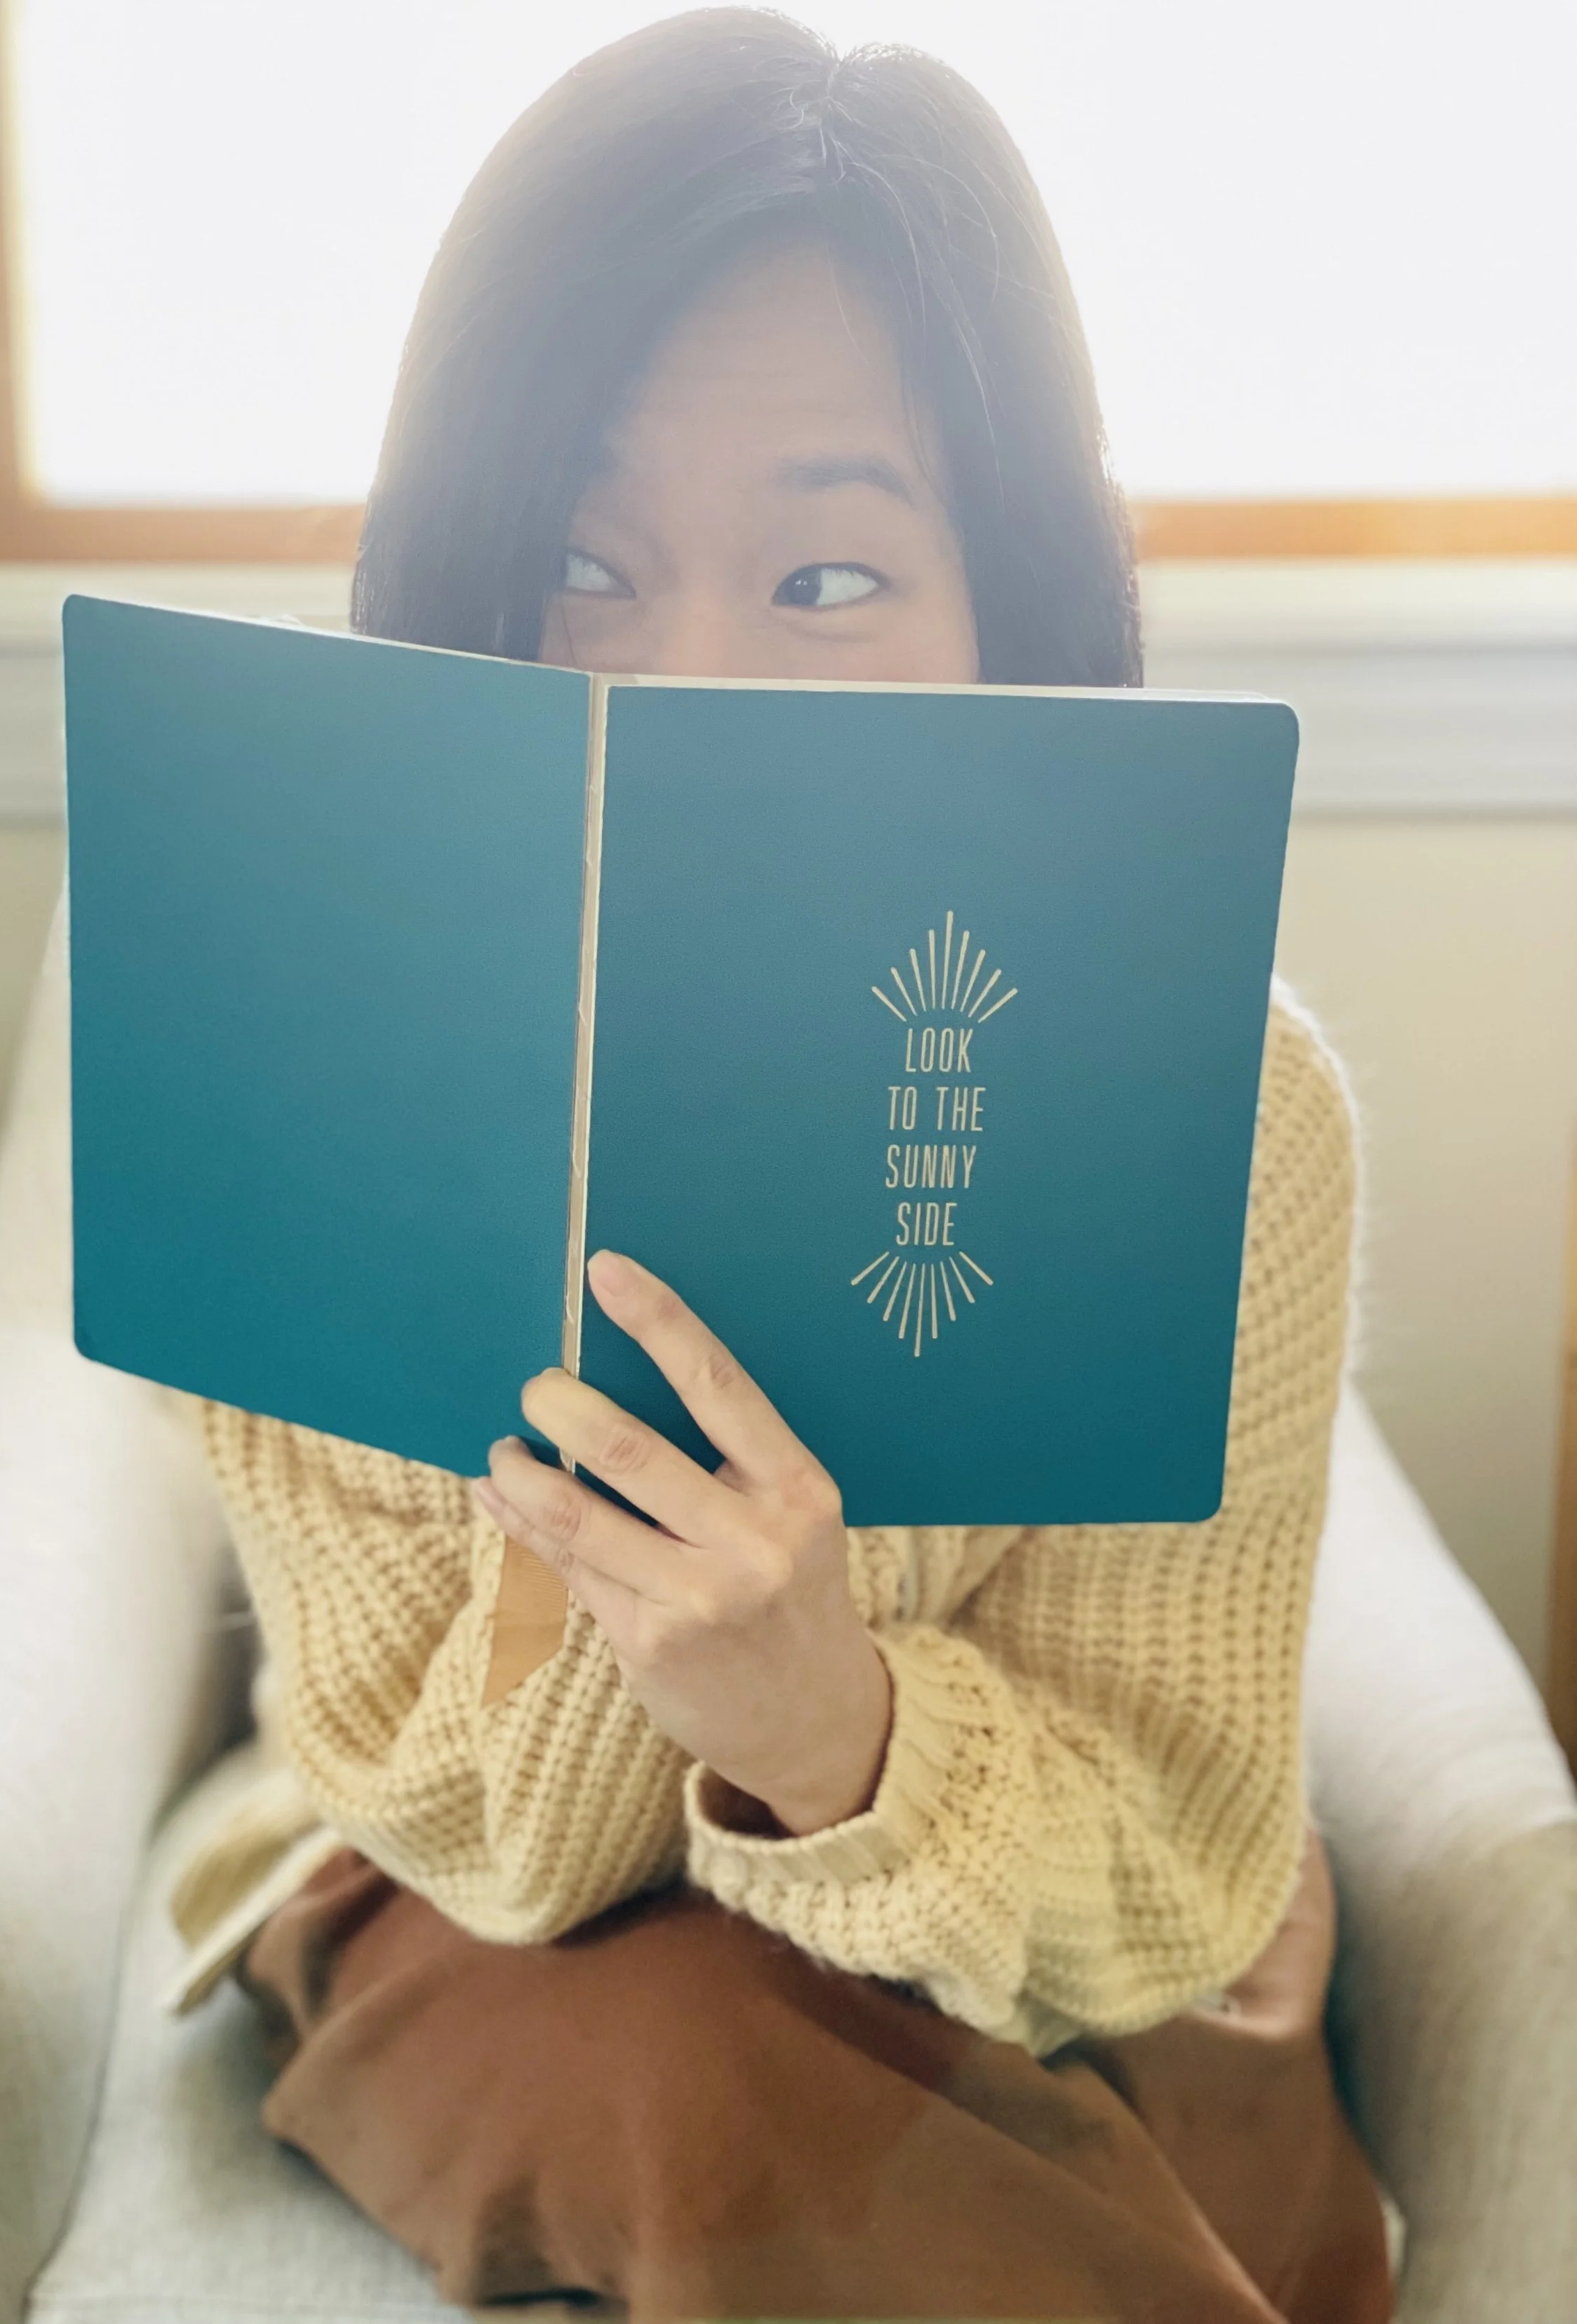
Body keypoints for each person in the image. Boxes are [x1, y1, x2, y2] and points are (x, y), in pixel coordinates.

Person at [165, 11, 1394, 2318]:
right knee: (701, 2084)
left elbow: (1176, 1857)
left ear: (1007, 607)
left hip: (1021, 1953)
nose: (683, 676)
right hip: (455, 1899)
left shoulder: (1228, 1110)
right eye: (578, 559)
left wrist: (839, 1739)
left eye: (824, 581)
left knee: (1194, 2087)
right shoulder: (299, 1042)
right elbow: (484, 1835)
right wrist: (676, 1657)